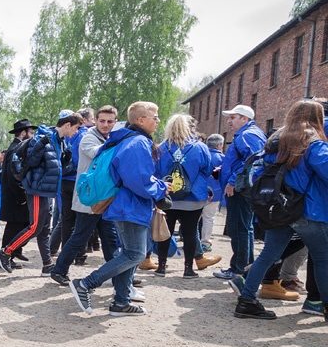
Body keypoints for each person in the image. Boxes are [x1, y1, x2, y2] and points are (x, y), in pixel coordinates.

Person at [231, 99, 328, 321]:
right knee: (323, 260)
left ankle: (246, 301)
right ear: (317, 118)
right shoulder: (314, 143)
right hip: (308, 210)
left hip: (279, 208)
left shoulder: (276, 141)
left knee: (268, 255)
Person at [69, 101, 168, 316]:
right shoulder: (138, 143)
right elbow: (138, 180)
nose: (158, 120)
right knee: (135, 254)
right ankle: (86, 284)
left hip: (126, 205)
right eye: (155, 116)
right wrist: (161, 189)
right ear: (141, 120)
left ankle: (121, 302)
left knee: (128, 253)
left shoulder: (129, 140)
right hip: (130, 206)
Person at [0, 110, 83, 273]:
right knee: (35, 226)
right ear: (67, 125)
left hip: (48, 190)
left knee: (44, 229)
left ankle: (47, 264)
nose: (77, 131)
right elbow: (31, 161)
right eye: (76, 128)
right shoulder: (44, 138)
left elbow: (57, 167)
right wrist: (40, 145)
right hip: (37, 189)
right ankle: (5, 252)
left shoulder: (60, 141)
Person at [50, 106, 120, 287]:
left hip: (104, 198)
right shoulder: (89, 137)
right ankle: (58, 270)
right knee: (80, 236)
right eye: (102, 121)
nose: (106, 124)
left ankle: (119, 275)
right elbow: (98, 153)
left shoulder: (109, 138)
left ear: (115, 122)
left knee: (109, 238)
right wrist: (119, 143)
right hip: (89, 198)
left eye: (110, 121)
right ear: (95, 120)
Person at [152, 114, 221, 278]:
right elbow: (207, 169)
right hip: (193, 198)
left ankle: (161, 266)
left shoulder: (161, 147)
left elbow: (156, 171)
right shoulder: (200, 147)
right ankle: (188, 269)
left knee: (165, 231)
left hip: (168, 197)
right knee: (190, 233)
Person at [214, 104, 267, 280]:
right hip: (244, 188)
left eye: (233, 117)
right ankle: (244, 268)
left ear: (244, 119)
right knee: (245, 229)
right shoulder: (249, 134)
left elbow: (253, 161)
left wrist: (232, 181)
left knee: (239, 229)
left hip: (241, 190)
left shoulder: (247, 135)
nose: (229, 121)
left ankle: (238, 270)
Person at [0, 119, 36, 269]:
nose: (32, 135)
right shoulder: (16, 149)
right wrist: (21, 196)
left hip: (14, 195)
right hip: (15, 196)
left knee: (20, 224)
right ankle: (6, 256)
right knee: (14, 226)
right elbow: (15, 175)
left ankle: (15, 251)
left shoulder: (16, 147)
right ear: (23, 133)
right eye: (30, 132)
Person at [200, 134, 225, 252]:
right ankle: (205, 242)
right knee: (209, 218)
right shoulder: (222, 159)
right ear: (220, 145)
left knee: (194, 218)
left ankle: (191, 240)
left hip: (198, 192)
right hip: (215, 192)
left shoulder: (201, 155)